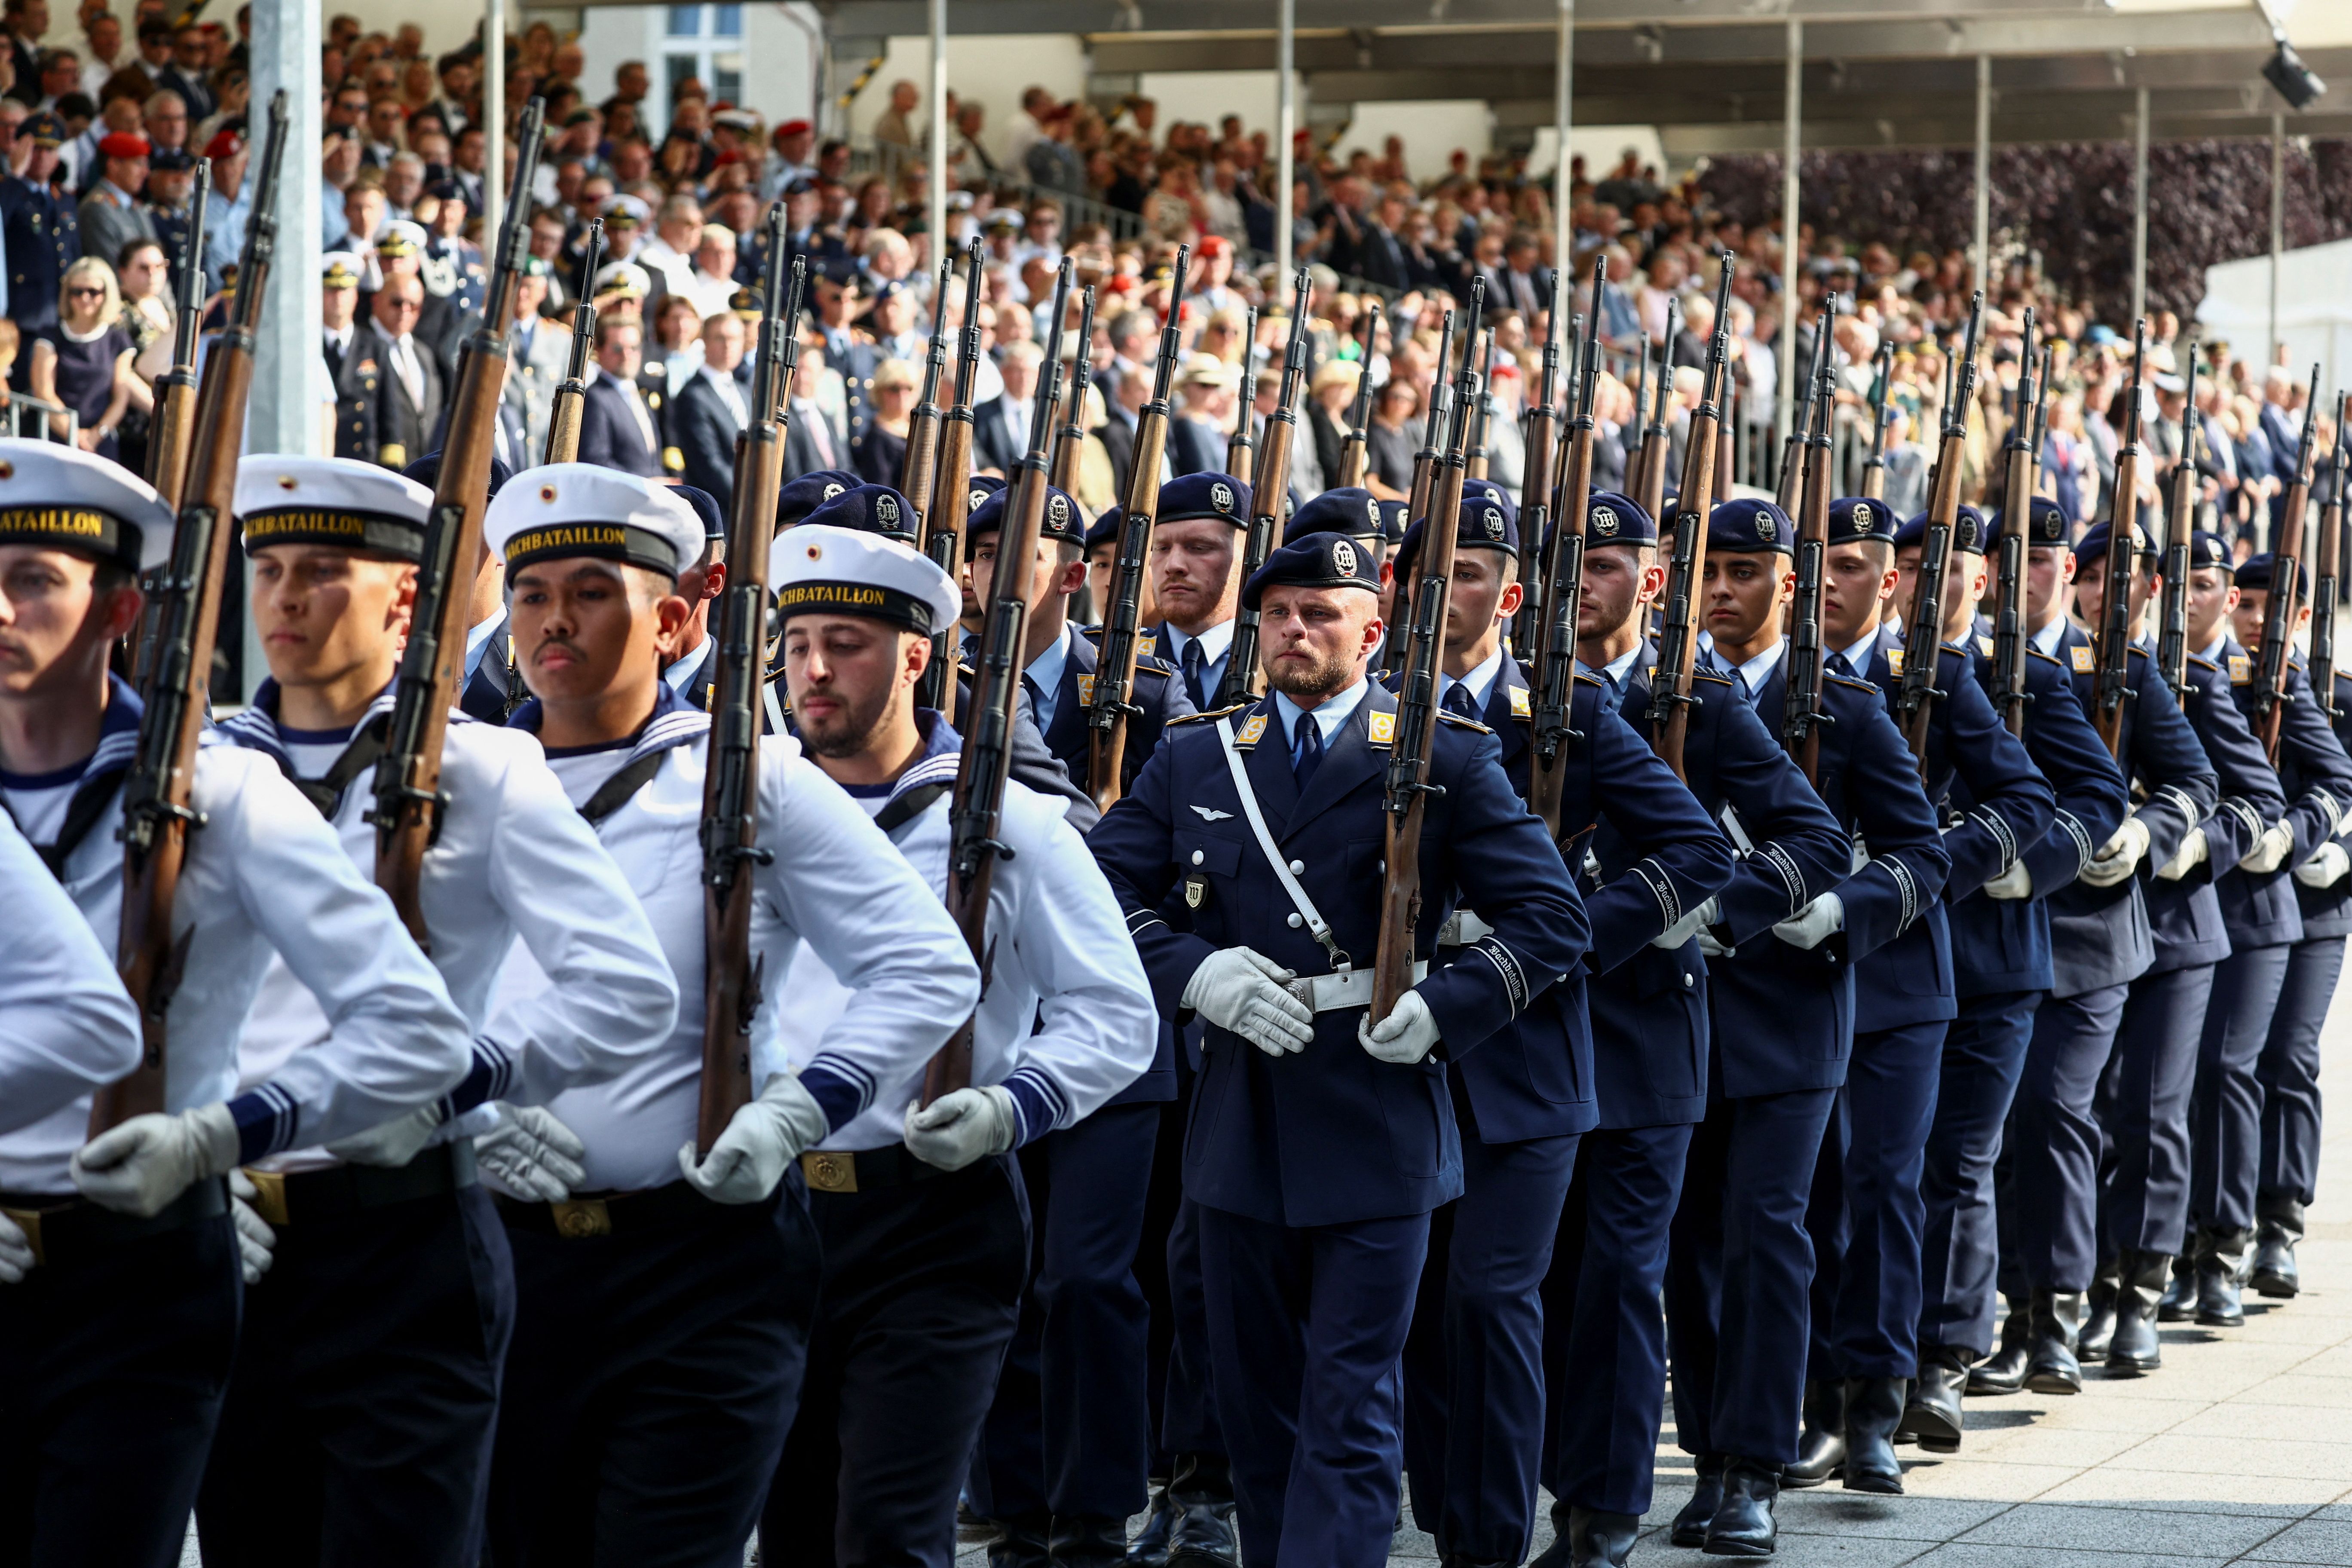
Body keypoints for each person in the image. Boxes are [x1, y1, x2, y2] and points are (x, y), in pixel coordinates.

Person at [469, 462, 975, 1562]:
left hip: (699, 1266)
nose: (555, 620)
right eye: (531, 593)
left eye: (592, 591)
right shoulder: (461, 783)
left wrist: (800, 1110)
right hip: (503, 1262)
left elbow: (926, 967)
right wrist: (462, 1115)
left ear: (673, 621)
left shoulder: (746, 781)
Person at [199, 455, 680, 1565]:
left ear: (405, 596)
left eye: (322, 571)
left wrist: (464, 1083)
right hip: (237, 1238)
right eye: (268, 569)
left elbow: (626, 989)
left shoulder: (487, 772)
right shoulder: (202, 774)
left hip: (404, 1243)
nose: (286, 598)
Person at [0, 441, 471, 1566]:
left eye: (33, 581)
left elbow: (417, 1030)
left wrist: (226, 1134)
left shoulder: (223, 792)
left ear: (119, 610)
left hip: (140, 1282)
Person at [1088, 528, 1588, 1568]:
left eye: (1320, 614)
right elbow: (1098, 896)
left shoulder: (1442, 753)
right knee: (1257, 1408)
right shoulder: (1198, 753)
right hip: (1242, 1118)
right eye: (1277, 612)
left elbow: (1552, 918)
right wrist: (1193, 974)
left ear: (1372, 632)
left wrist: (1448, 1006)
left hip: (1380, 1112)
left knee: (1351, 1400)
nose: (1294, 630)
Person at [757, 511, 1155, 1568]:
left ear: (915, 658)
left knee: (889, 1531)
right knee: (793, 1532)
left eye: (846, 645)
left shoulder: (1006, 821)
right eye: (798, 644)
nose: (814, 671)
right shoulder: (751, 812)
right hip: (771, 1211)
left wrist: (1012, 1106)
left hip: (930, 1217)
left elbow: (1115, 1010)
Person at [1378, 490, 1734, 1568]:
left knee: (1506, 1295)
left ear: (1511, 595)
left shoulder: (1562, 709)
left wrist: (1561, 936)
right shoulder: (1371, 707)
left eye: (1470, 574)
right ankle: (1452, 1516)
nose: (1443, 596)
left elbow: (1695, 851)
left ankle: (1542, 1521)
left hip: (1532, 1047)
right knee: (1426, 1305)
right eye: (1426, 574)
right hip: (1403, 1047)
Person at [1534, 488, 1851, 1568]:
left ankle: (1731, 1469)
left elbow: (1814, 840)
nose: (1583, 585)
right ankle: (1602, 1479)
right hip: (1543, 1020)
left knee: (1730, 1246)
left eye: (1606, 565)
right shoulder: (1521, 699)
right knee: (1591, 1271)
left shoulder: (1698, 702)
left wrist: (1718, 908)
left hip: (1684, 1017)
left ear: (1647, 581)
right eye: (1568, 565)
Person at [1663, 497, 1949, 1555]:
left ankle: (1754, 1466)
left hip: (1794, 1010)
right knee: (1688, 1247)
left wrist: (1843, 908)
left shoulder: (1846, 708)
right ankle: (1706, 1454)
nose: (1720, 589)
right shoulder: (1660, 698)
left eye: (1743, 571)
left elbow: (1921, 854)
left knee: (1767, 1236)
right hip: (1678, 1004)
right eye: (1708, 570)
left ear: (1787, 583)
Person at [959, 479, 1193, 1565]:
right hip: (991, 1023)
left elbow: (1186, 839)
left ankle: (1094, 1514)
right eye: (981, 550)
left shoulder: (1143, 689)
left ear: (1073, 569)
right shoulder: (931, 687)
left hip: (1111, 1022)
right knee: (1002, 1271)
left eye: (1023, 548)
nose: (997, 569)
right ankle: (1016, 1509)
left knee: (1090, 1280)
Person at [1797, 503, 2053, 1496]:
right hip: (1792, 971)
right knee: (1804, 1196)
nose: (1833, 582)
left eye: (1855, 566)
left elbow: (2025, 800)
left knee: (1885, 1187)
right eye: (1821, 565)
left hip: (1902, 973)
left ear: (1891, 582)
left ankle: (1875, 1399)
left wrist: (1928, 866)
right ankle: (1812, 1397)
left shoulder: (1934, 676)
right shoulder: (1771, 683)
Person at [1899, 500, 2128, 1449]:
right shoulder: (1859, 677)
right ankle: (1859, 1365)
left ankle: (1943, 1359)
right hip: (1885, 954)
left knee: (1961, 1160)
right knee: (1879, 1167)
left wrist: (2033, 864)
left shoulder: (2020, 676)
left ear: (1980, 578)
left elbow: (2098, 793)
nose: (1927, 585)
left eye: (1948, 567)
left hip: (1991, 952)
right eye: (1912, 567)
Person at [1980, 500, 2215, 1398]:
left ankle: (2064, 1310)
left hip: (2089, 931)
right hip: (1993, 926)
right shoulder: (1968, 668)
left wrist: (2146, 833)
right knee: (2002, 1131)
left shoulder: (2114, 671)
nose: (2032, 575)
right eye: (2019, 558)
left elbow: (2194, 778)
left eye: (2047, 558)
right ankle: (2014, 1316)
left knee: (2057, 1109)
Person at [2067, 522, 2275, 1374]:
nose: (2107, 595)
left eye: (2126, 579)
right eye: (2093, 579)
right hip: (2083, 929)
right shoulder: (2052, 673)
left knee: (2153, 1115)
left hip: (2171, 929)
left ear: (2154, 590)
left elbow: (2252, 798)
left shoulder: (2188, 681)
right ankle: (2084, 1285)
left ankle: (2141, 1296)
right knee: (2080, 1117)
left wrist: (2185, 843)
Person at [2175, 550, 2352, 1323]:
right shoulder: (2200, 680)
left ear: (2301, 616)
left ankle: (2275, 1220)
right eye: (2242, 603)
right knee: (2212, 1073)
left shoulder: (2328, 693)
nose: (2252, 618)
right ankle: (2198, 1231)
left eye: (2265, 606)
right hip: (2227, 893)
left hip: (2313, 904)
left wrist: (2330, 848)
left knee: (2285, 1058)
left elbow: (2340, 785)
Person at [28, 254, 143, 459]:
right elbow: (44, 392)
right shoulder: (50, 335)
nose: (84, 298)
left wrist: (97, 434)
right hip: (55, 440)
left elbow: (121, 397)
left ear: (107, 294)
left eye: (93, 292)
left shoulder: (118, 339)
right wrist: (74, 434)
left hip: (101, 441)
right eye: (77, 292)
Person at [0, 111, 79, 339]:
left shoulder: (64, 199)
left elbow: (74, 253)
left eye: (50, 150)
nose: (43, 157)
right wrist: (15, 175)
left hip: (59, 312)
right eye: (36, 149)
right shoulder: (9, 191)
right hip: (21, 314)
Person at [670, 307, 752, 508]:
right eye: (720, 338)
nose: (728, 346)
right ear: (704, 341)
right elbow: (710, 465)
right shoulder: (692, 395)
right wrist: (751, 502)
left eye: (734, 339)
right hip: (720, 511)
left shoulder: (745, 391)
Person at [575, 311, 664, 477]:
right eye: (618, 348)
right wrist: (646, 484)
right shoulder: (596, 398)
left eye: (634, 348)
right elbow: (595, 461)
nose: (627, 355)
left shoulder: (639, 394)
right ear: (599, 351)